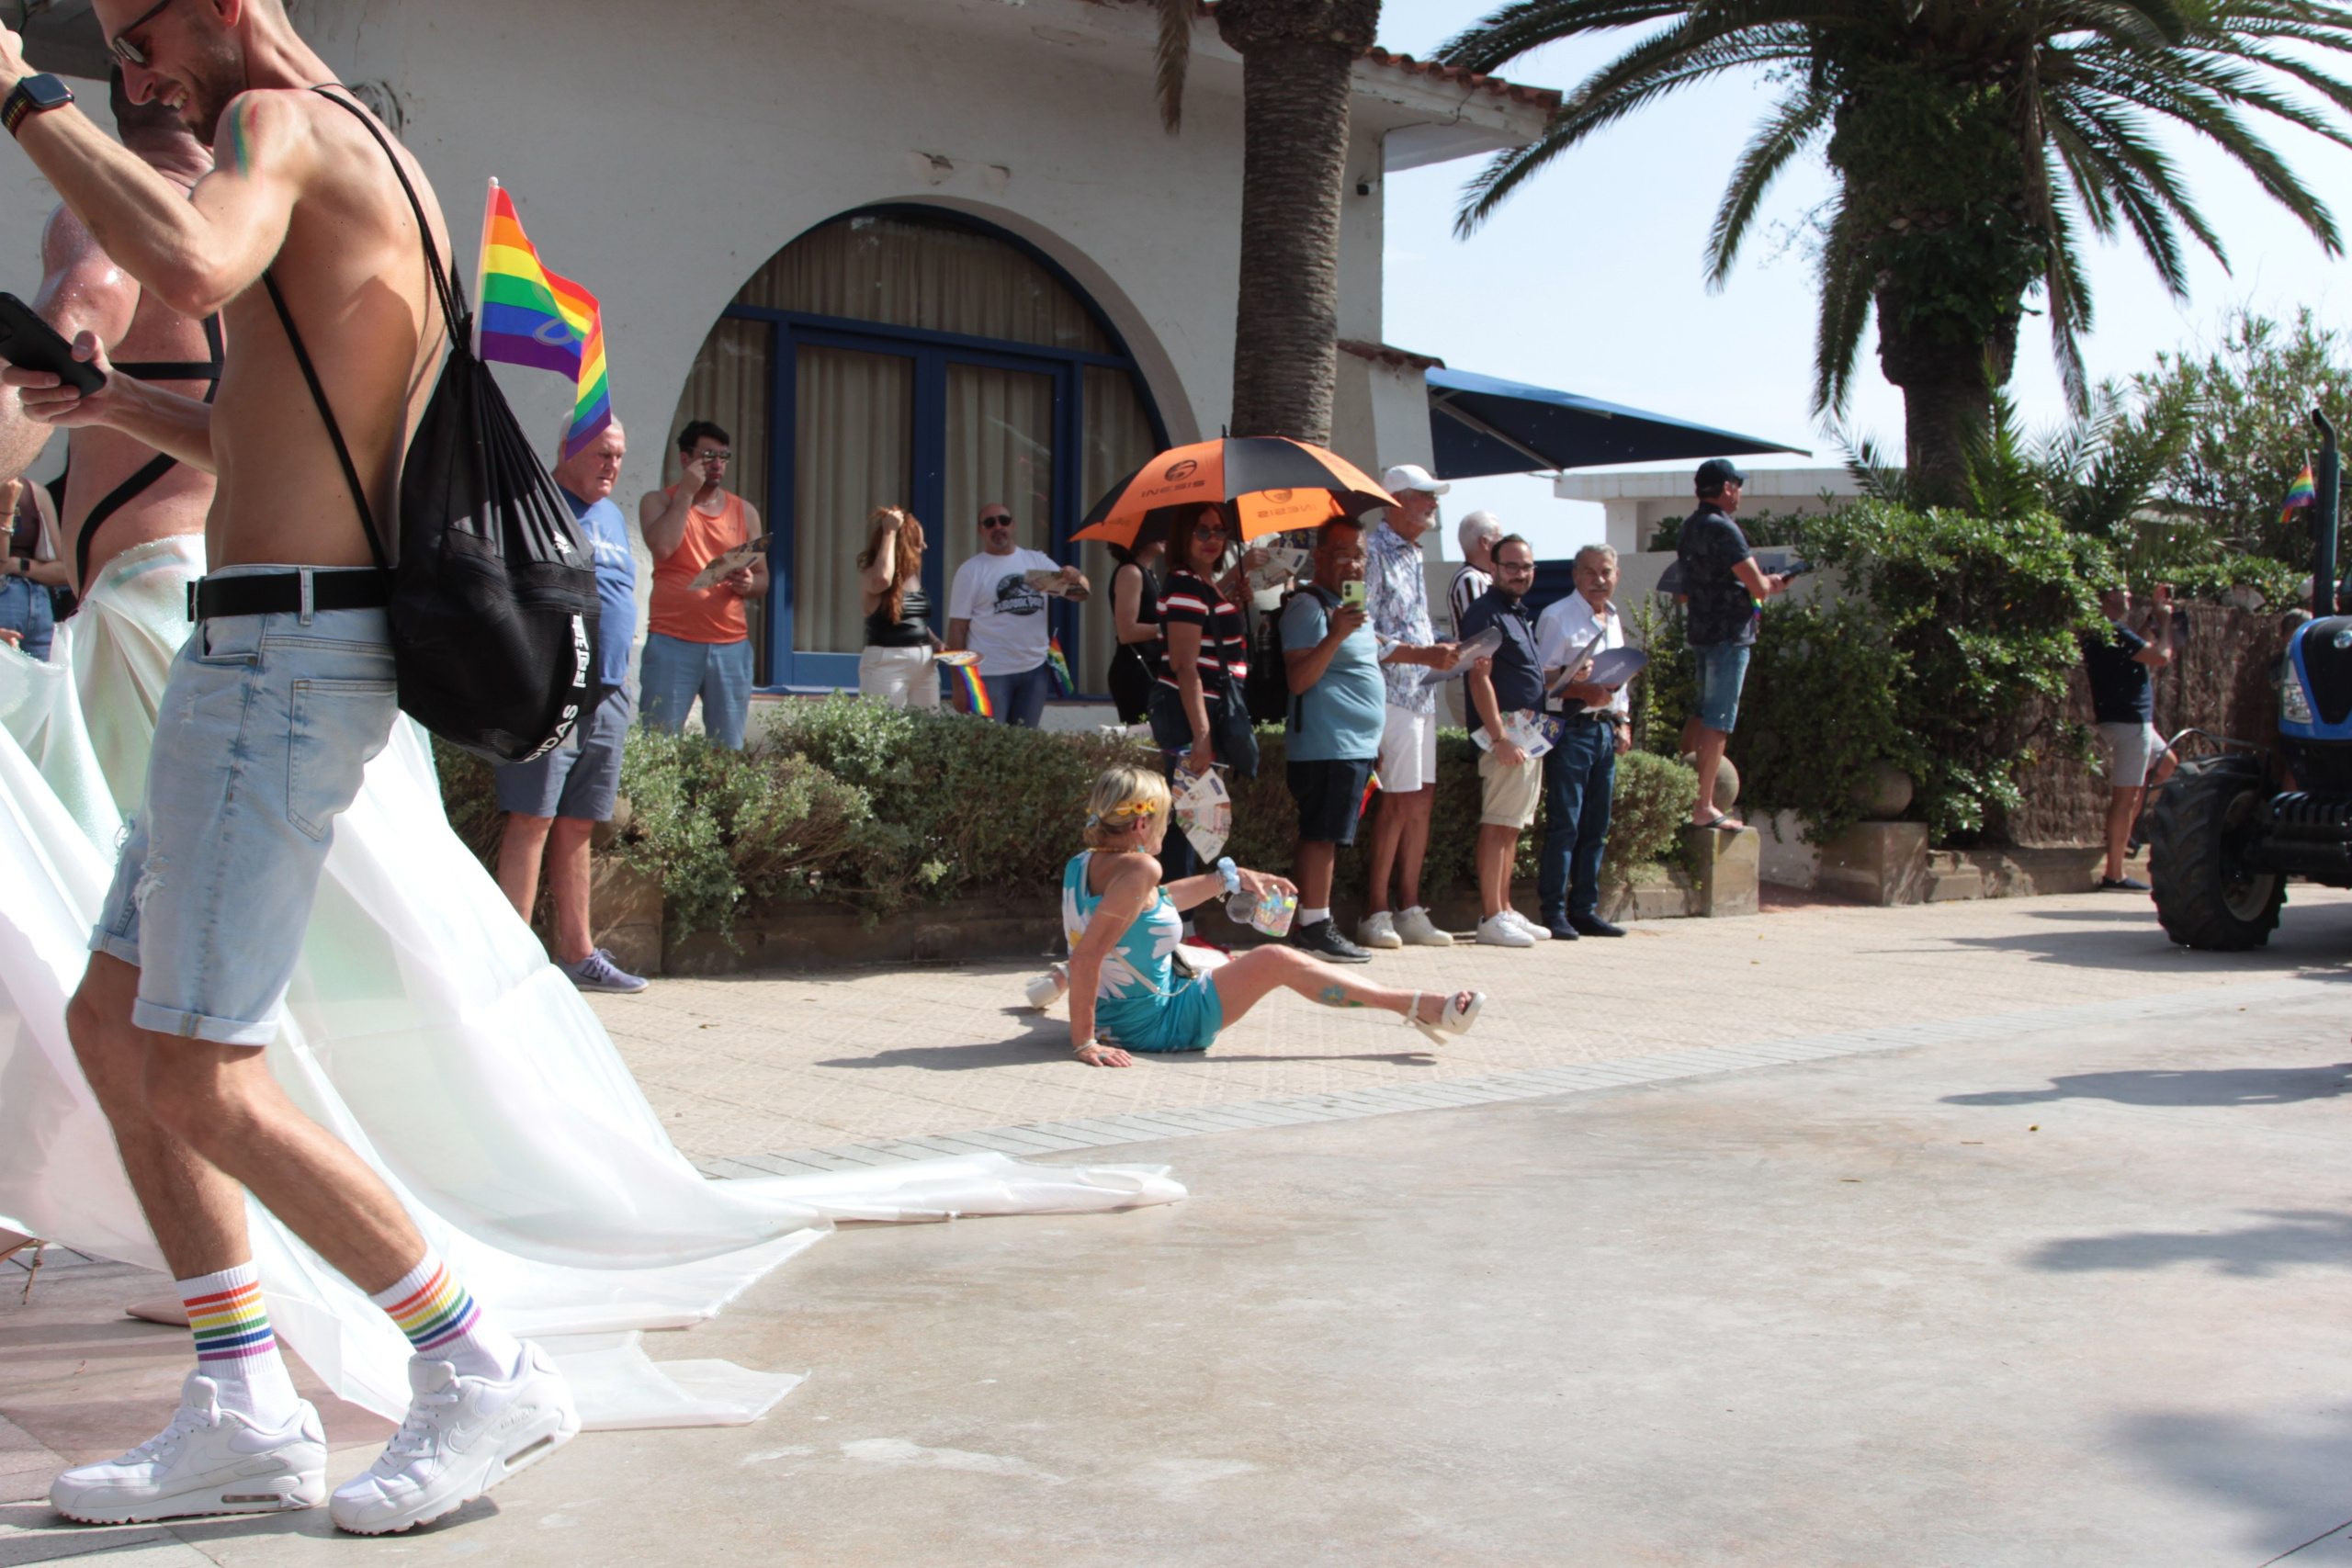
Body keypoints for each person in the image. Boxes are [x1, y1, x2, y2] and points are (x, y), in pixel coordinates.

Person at [0, 1, 576, 1534]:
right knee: (117, 1026)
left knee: (196, 1061)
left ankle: (477, 1361)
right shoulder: (368, 151)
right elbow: (279, 451)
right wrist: (111, 403)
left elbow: (189, 267)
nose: (138, 73)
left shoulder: (282, 129)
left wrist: (22, 101)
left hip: (287, 657)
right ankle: (241, 1398)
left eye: (141, 37)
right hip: (264, 646)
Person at [1057, 764, 1484, 1066]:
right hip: (1154, 1025)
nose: (1169, 829)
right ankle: (1417, 1006)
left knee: (1243, 962)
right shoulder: (1141, 868)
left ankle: (1055, 987)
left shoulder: (1084, 863)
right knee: (1275, 960)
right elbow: (1088, 957)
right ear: (1141, 824)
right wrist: (1084, 1044)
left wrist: (1230, 878)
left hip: (1120, 1019)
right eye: (1168, 819)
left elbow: (1151, 903)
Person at [493, 419, 647, 995]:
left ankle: (577, 953)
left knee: (579, 821)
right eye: (604, 454)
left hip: (609, 690)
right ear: (567, 450)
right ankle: (510, 958)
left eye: (620, 456)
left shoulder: (609, 515)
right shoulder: (534, 505)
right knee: (531, 817)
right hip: (552, 685)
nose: (613, 466)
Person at [1358, 465, 1461, 951]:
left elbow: (1411, 626)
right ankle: (1376, 911)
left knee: (1420, 800)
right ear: (1396, 499)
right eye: (1426, 496)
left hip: (1422, 691)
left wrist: (1446, 650)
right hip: (1390, 694)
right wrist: (1424, 654)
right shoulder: (1371, 551)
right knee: (1397, 802)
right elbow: (1360, 630)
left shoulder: (1414, 554)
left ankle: (1409, 908)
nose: (1433, 504)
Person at [1280, 520, 1385, 964]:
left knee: (1332, 833)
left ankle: (1316, 922)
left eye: (1360, 555)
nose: (1354, 564)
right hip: (1326, 743)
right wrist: (1336, 633)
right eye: (1343, 554)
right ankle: (1313, 926)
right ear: (1319, 557)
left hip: (1352, 745)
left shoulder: (1348, 608)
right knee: (1321, 835)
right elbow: (1299, 679)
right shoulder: (1309, 607)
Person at [1151, 503, 1260, 894]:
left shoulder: (1201, 583)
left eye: (1220, 531)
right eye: (1202, 531)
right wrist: (1201, 733)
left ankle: (1184, 928)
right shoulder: (1184, 583)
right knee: (1190, 824)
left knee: (1200, 823)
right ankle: (1179, 931)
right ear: (1184, 536)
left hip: (1204, 711)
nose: (1213, 539)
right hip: (1192, 713)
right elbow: (1184, 665)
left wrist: (1232, 600)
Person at [639, 420, 764, 749]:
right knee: (659, 745)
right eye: (708, 455)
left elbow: (762, 579)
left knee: (727, 751)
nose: (717, 464)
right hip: (672, 641)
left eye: (724, 457)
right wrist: (686, 493)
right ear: (685, 459)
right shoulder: (658, 501)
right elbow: (663, 547)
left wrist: (748, 582)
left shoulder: (744, 511)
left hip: (730, 644)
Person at [1676, 458, 1786, 830]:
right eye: (1737, 485)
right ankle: (1703, 805)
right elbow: (1758, 587)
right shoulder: (1725, 529)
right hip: (1729, 634)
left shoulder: (1690, 527)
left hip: (1702, 631)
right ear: (1726, 487)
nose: (1739, 493)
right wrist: (1775, 583)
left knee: (1700, 711)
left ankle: (1681, 792)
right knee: (1718, 718)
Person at [1534, 544, 1634, 940]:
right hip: (1570, 729)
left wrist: (1623, 721)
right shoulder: (1557, 616)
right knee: (1565, 825)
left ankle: (1584, 910)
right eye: (1590, 572)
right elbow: (1540, 682)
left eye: (1606, 571)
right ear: (1575, 576)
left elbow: (1620, 676)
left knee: (1597, 825)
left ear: (1616, 575)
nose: (1599, 579)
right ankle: (1553, 911)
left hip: (1604, 730)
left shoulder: (1612, 616)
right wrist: (1580, 691)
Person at [1459, 536, 1550, 948]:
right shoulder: (1485, 612)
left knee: (1512, 827)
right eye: (1511, 566)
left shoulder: (1517, 612)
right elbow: (1478, 677)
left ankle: (1505, 908)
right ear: (1492, 568)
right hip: (1506, 737)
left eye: (1526, 566)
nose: (1520, 573)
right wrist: (1499, 737)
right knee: (1497, 825)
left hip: (1529, 734)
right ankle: (1491, 916)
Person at [946, 502, 1087, 728]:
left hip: (1034, 670)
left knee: (1024, 746)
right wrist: (959, 685)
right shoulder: (971, 570)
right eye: (990, 523)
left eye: (1003, 520)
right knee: (990, 747)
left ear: (1013, 525)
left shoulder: (1036, 561)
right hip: (990, 672)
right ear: (980, 530)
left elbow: (1078, 595)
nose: (998, 527)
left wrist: (1076, 577)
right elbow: (957, 630)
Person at [2081, 581, 2178, 890]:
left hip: (2134, 723)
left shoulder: (2106, 631)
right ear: (2109, 596)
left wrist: (2152, 616)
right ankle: (2114, 873)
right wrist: (2165, 622)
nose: (2128, 596)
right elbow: (2160, 656)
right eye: (2124, 592)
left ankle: (2125, 836)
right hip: (2129, 724)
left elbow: (2137, 647)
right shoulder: (2110, 630)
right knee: (2125, 797)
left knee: (2167, 765)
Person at [856, 506, 940, 709]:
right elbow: (883, 579)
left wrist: (934, 640)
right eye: (918, 542)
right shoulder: (871, 574)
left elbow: (913, 619)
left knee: (927, 730)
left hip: (924, 664)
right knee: (883, 728)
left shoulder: (912, 575)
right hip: (888, 662)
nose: (924, 546)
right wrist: (890, 532)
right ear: (906, 545)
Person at [0, 476, 64, 654]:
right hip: (6, 599)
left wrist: (20, 565)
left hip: (37, 599)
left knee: (42, 679)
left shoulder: (35, 492)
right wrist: (6, 509)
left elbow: (63, 572)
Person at [1106, 537, 1164, 725]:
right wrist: (1168, 629)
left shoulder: (1148, 573)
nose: (1164, 537)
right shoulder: (1130, 572)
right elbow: (1126, 632)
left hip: (1151, 668)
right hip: (1135, 671)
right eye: (1156, 532)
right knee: (1142, 741)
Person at [1448, 509, 1503, 639]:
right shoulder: (1470, 579)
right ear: (1485, 542)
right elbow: (1480, 632)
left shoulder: (1485, 577)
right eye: (1500, 536)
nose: (1503, 543)